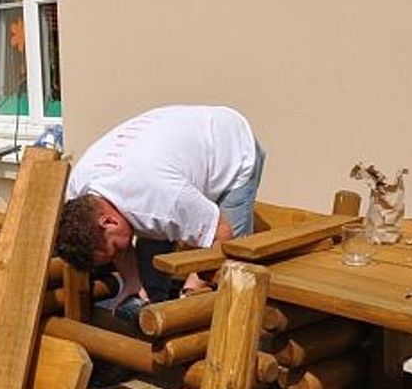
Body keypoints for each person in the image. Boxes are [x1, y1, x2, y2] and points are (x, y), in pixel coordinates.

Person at [55, 105, 264, 307]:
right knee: (150, 250)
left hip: (231, 144)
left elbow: (223, 233)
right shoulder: (80, 194)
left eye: (116, 249)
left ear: (108, 221)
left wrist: (192, 290)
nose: (119, 254)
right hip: (170, 147)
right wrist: (132, 282)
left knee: (234, 257)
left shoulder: (163, 199)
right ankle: (155, 303)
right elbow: (123, 245)